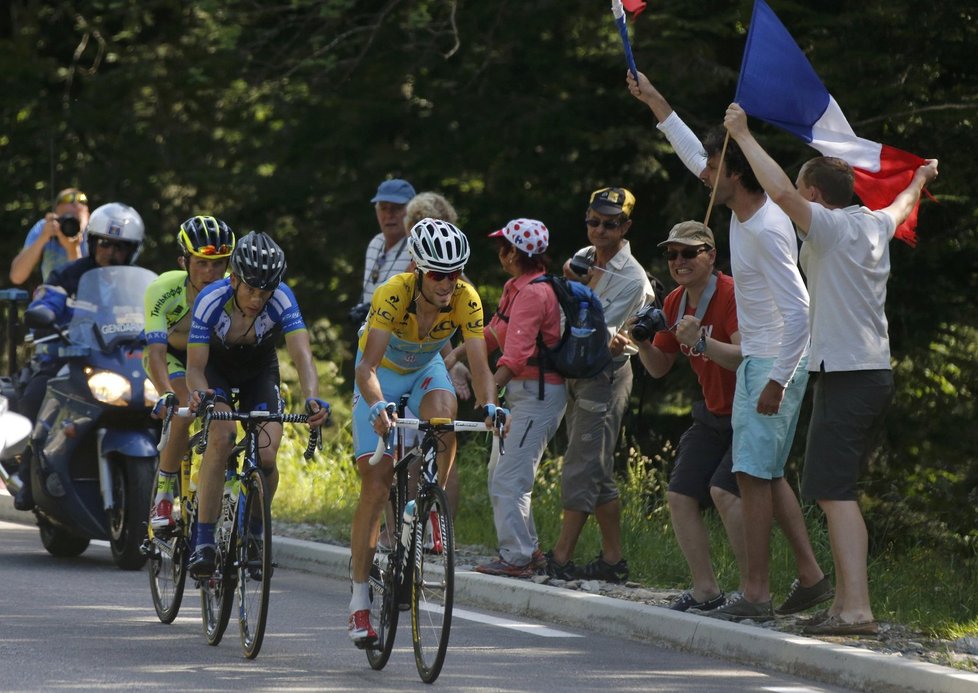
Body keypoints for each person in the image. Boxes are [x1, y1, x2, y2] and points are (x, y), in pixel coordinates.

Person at [724, 102, 939, 635]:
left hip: (847, 374)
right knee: (832, 486)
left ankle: (857, 609)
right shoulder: (872, 225)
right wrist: (920, 178)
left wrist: (744, 135)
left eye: (804, 191)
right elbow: (902, 203)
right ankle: (845, 604)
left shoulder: (830, 230)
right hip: (866, 372)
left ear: (815, 198)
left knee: (834, 491)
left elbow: (778, 192)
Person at [627, 71, 832, 622]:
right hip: (764, 361)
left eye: (715, 168)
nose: (704, 175)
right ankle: (810, 578)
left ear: (736, 172)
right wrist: (657, 101)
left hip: (772, 362)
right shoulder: (741, 213)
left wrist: (775, 379)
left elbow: (801, 310)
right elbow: (695, 152)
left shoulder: (763, 229)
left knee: (748, 478)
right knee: (763, 473)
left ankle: (757, 596)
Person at [348, 218, 501, 646]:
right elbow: (367, 368)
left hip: (426, 370)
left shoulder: (466, 299)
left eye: (454, 273)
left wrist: (490, 406)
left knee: (444, 417)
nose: (446, 284)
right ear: (418, 267)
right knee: (375, 486)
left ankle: (424, 501)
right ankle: (359, 601)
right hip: (382, 376)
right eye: (437, 274)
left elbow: (481, 366)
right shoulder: (393, 292)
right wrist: (378, 406)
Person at [185, 231, 330, 577]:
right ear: (233, 278)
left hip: (258, 371)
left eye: (265, 292)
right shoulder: (210, 299)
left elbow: (303, 357)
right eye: (250, 289)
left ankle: (254, 531)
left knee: (267, 453)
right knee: (221, 437)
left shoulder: (282, 299)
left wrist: (311, 397)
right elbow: (194, 367)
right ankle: (204, 540)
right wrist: (204, 397)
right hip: (215, 371)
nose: (257, 299)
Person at [633, 221, 747, 611]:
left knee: (724, 493)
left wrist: (700, 341)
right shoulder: (675, 302)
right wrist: (642, 343)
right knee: (680, 495)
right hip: (712, 413)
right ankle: (705, 590)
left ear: (711, 255)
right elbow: (660, 366)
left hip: (748, 411)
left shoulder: (731, 293)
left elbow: (743, 356)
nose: (679, 261)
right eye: (672, 254)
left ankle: (753, 593)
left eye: (689, 253)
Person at [544, 187, 655, 584]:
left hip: (604, 375)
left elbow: (593, 333)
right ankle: (613, 560)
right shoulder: (583, 257)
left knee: (580, 463)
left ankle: (561, 556)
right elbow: (557, 314)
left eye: (610, 224)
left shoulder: (633, 277)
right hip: (575, 370)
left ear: (626, 226)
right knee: (599, 467)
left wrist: (580, 290)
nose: (600, 230)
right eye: (594, 221)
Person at [447, 219, 568, 578]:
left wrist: (489, 395)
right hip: (525, 395)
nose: (500, 253)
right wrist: (453, 357)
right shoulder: (518, 287)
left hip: (537, 395)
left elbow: (514, 357)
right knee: (500, 471)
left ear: (515, 252)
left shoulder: (533, 294)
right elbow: (494, 332)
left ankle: (517, 557)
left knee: (510, 477)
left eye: (504, 246)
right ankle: (528, 551)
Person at [13, 202, 145, 510]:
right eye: (105, 243)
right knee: (35, 394)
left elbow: (153, 314)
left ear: (133, 250)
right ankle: (27, 472)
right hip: (67, 356)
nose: (110, 251)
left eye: (121, 246)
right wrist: (41, 312)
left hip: (119, 359)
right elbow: (45, 303)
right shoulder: (68, 275)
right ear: (92, 241)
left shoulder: (138, 282)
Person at [144, 216, 235, 530]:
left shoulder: (234, 290)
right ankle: (165, 495)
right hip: (171, 358)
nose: (210, 273)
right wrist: (163, 393)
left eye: (218, 264)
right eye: (201, 264)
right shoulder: (163, 290)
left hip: (207, 359)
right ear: (184, 261)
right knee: (183, 408)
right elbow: (156, 351)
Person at [350, 178, 417, 324]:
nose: (389, 214)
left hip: (404, 337)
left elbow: (462, 288)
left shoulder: (421, 245)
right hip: (369, 332)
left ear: (413, 211)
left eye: (397, 208)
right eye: (383, 207)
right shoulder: (376, 242)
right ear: (376, 210)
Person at [10, 188, 91, 285]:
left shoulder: (94, 232)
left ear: (87, 214)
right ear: (56, 211)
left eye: (75, 221)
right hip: (51, 295)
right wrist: (42, 238)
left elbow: (81, 287)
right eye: (66, 219)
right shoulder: (44, 227)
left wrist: (74, 247)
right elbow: (16, 277)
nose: (75, 204)